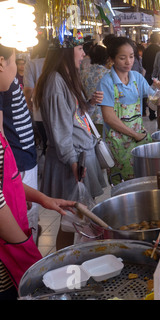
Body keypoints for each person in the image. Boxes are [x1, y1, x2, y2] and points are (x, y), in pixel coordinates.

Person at [0, 43, 76, 300]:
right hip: (7, 249)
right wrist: (24, 248)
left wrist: (43, 198)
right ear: (1, 63)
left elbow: (7, 182)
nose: (17, 68)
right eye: (14, 61)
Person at [34, 32, 107, 249]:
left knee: (78, 218)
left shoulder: (65, 78)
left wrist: (89, 103)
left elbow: (73, 117)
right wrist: (73, 162)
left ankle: (78, 259)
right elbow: (60, 131)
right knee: (69, 221)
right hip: (71, 160)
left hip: (79, 155)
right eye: (79, 49)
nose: (84, 54)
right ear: (65, 53)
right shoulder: (55, 82)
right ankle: (66, 265)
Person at [98, 37, 160, 183]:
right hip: (118, 144)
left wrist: (158, 90)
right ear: (112, 59)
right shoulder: (106, 82)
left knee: (143, 180)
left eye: (132, 56)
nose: (128, 62)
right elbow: (109, 117)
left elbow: (155, 103)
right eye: (122, 58)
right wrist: (134, 134)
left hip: (138, 139)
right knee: (123, 185)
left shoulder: (137, 78)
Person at [0, 75, 39, 243]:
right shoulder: (3, 82)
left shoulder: (7, 80)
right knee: (24, 228)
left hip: (22, 162)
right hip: (18, 163)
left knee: (29, 223)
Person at [23, 38, 49, 157]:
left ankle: (46, 169)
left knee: (45, 142)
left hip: (39, 111)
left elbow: (28, 89)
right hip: (56, 109)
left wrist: (29, 104)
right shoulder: (53, 62)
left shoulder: (31, 63)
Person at [80, 44, 110, 135]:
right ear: (106, 58)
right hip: (105, 115)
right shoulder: (109, 74)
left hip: (87, 114)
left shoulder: (83, 73)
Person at [142, 32, 160, 120]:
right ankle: (159, 111)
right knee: (158, 94)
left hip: (149, 74)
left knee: (150, 94)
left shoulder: (146, 50)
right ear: (158, 39)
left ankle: (151, 113)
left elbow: (143, 64)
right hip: (158, 75)